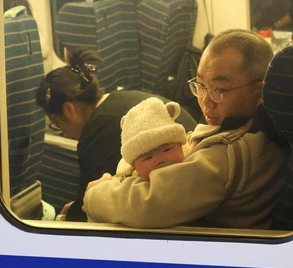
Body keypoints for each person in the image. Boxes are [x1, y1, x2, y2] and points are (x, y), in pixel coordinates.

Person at [83, 29, 288, 229]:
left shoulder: (230, 153)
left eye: (220, 90)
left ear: (259, 90)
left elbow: (148, 204)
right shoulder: (249, 127)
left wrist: (95, 193)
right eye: (200, 85)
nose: (206, 102)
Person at [35, 49, 197, 222]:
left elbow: (91, 201)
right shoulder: (121, 99)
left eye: (56, 122)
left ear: (69, 109)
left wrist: (70, 214)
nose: (61, 130)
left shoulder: (95, 134)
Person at [113, 97, 187, 182]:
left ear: (181, 146)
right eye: (148, 157)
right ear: (134, 166)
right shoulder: (127, 183)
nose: (160, 160)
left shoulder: (194, 160)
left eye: (167, 150)